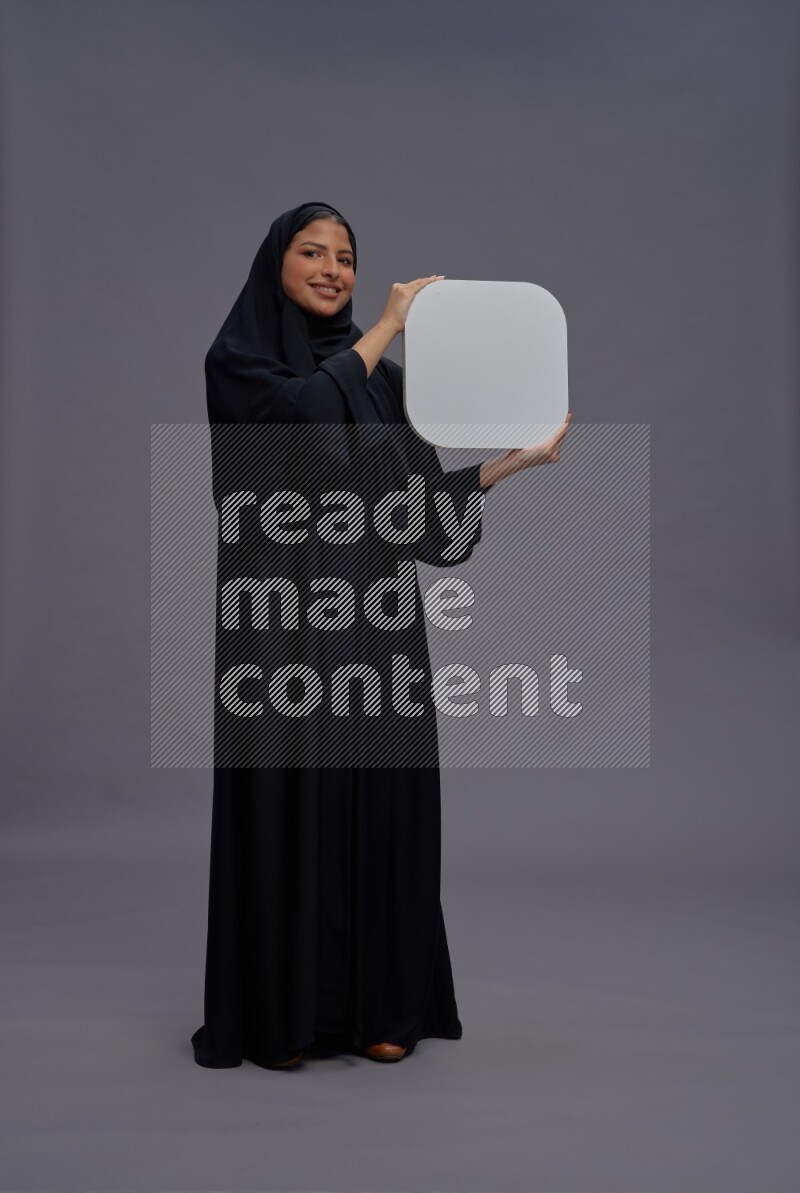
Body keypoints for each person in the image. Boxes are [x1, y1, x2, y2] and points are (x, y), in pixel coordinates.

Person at [191, 201, 572, 1071]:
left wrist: (506, 466)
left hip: (376, 631)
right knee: (290, 803)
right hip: (281, 631)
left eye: (346, 256)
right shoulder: (238, 364)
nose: (333, 269)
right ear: (276, 264)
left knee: (380, 807)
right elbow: (302, 427)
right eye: (313, 251)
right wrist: (391, 326)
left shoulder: (386, 384)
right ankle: (285, 1014)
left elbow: (425, 524)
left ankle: (378, 1008)